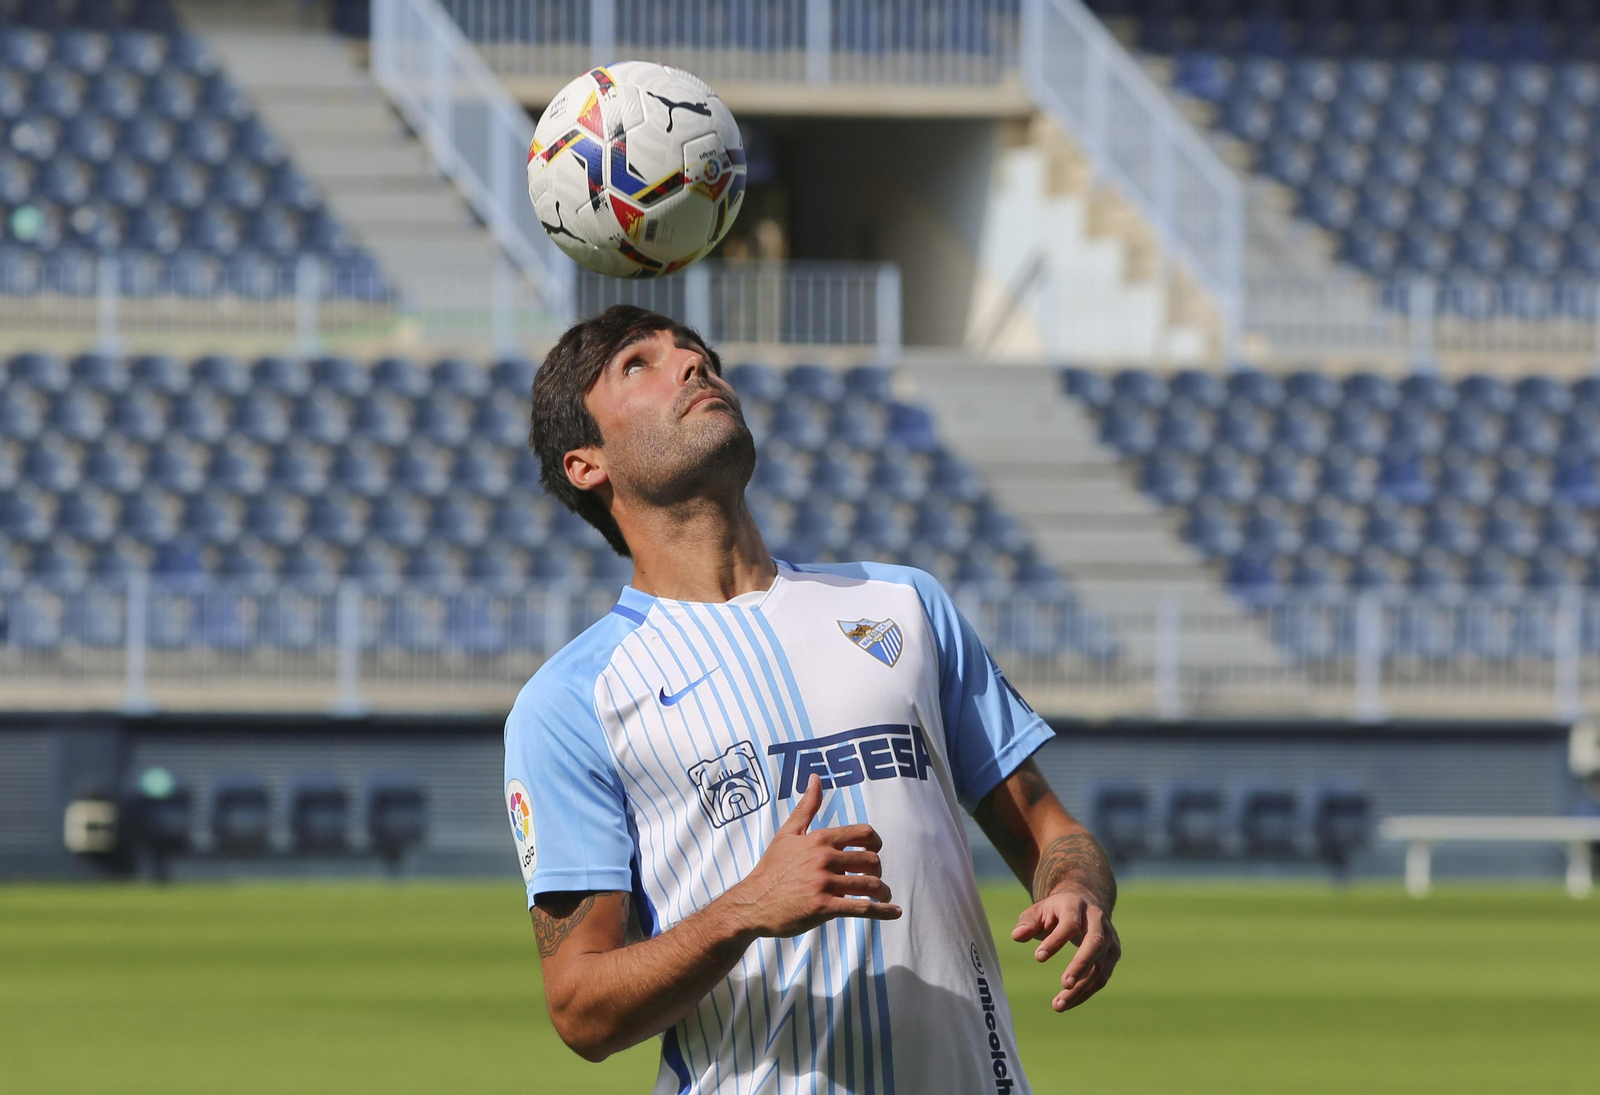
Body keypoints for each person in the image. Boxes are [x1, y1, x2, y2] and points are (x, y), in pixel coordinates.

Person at [503, 305, 1120, 1094]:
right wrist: (742, 909)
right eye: (640, 364)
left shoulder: (902, 604)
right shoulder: (570, 701)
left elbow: (1048, 826)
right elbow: (581, 1008)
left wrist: (1075, 887)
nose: (693, 366)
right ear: (586, 463)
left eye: (697, 353)